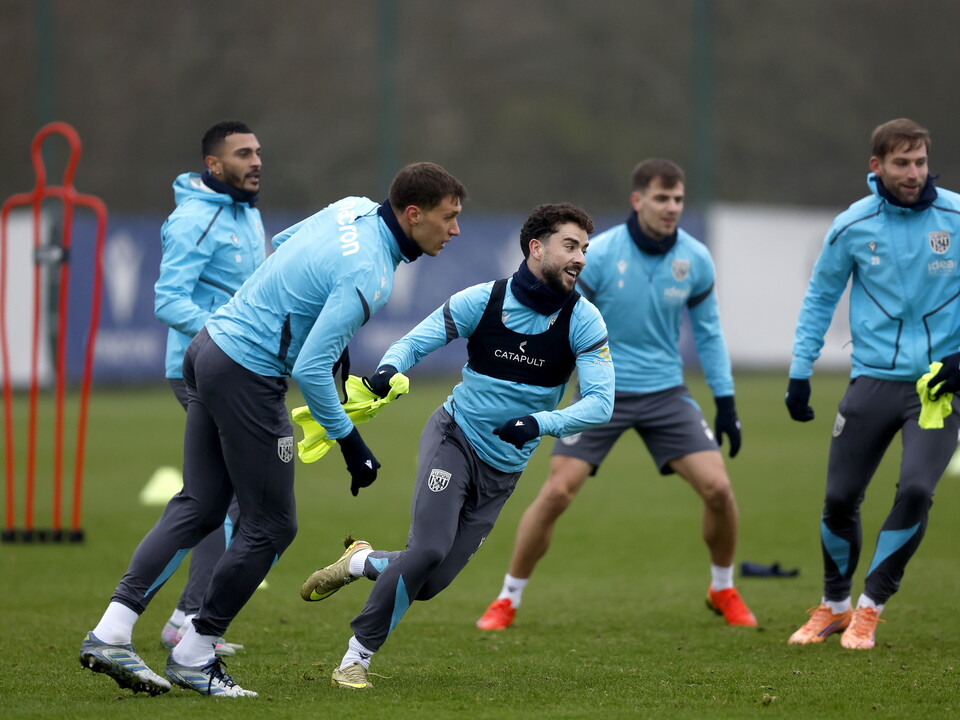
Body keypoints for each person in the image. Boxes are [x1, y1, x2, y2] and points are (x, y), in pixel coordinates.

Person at [79, 162, 467, 697]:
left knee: (199, 505)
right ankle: (194, 652)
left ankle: (111, 632)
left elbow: (286, 243)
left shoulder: (350, 206)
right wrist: (352, 446)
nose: (455, 230)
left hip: (208, 347)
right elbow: (310, 370)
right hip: (246, 374)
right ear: (414, 214)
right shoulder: (371, 274)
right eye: (448, 218)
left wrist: (306, 321)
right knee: (272, 527)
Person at [299, 203, 614, 689]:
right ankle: (354, 659)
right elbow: (415, 341)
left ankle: (360, 561)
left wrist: (538, 423)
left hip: (503, 470)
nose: (580, 259)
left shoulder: (583, 320)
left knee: (429, 583)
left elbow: (600, 404)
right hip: (454, 437)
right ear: (536, 248)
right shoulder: (483, 300)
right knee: (425, 551)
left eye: (584, 249)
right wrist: (389, 369)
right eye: (570, 246)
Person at [476, 159, 757, 632]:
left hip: (667, 393)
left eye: (678, 199)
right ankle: (507, 598)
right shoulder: (599, 254)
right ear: (638, 200)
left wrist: (726, 403)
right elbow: (562, 320)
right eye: (661, 198)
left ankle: (723, 587)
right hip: (599, 392)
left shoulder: (696, 258)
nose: (671, 207)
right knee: (558, 492)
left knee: (719, 489)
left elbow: (708, 333)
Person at [785, 118, 960, 650]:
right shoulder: (852, 226)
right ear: (876, 166)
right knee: (839, 498)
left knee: (916, 489)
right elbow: (819, 298)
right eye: (902, 163)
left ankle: (870, 606)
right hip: (872, 383)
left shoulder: (955, 215)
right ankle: (833, 606)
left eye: (921, 162)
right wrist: (799, 373)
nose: (913, 173)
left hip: (937, 390)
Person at [152, 120, 265, 660]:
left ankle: (187, 618)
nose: (257, 161)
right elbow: (168, 300)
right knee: (232, 500)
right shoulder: (195, 219)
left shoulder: (247, 211)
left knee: (233, 500)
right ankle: (185, 619)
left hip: (238, 368)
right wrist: (225, 335)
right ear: (214, 165)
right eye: (244, 154)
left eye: (258, 152)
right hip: (203, 369)